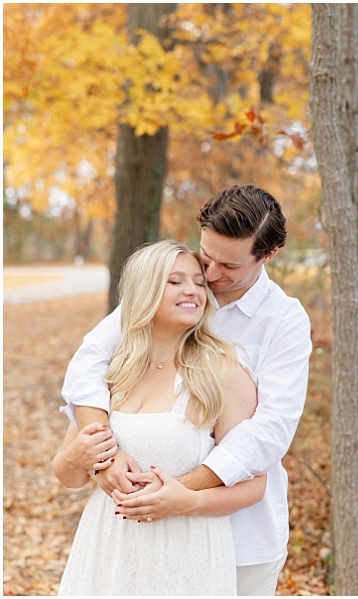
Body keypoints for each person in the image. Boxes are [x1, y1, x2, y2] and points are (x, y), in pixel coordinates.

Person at [60, 184, 312, 596]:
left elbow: (268, 435)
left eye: (227, 266)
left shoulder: (282, 321)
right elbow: (88, 364)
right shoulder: (174, 289)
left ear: (267, 256)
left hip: (241, 536)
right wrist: (104, 456)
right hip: (140, 539)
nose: (210, 276)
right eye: (206, 256)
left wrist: (178, 492)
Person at [55, 240, 264, 595]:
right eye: (176, 281)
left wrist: (188, 500)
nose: (193, 291)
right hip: (107, 548)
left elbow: (254, 485)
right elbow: (68, 474)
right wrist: (78, 458)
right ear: (145, 289)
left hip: (185, 555)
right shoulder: (113, 370)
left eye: (199, 283)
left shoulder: (222, 372)